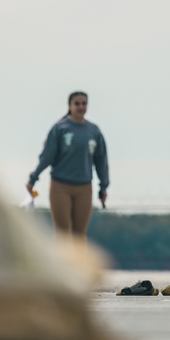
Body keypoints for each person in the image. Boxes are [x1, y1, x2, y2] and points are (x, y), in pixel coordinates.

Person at [27, 91, 109, 238]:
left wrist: (103, 186)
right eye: (77, 103)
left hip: (84, 186)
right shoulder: (60, 128)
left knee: (79, 234)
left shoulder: (94, 131)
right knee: (63, 232)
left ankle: (78, 261)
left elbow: (101, 160)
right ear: (70, 106)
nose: (80, 107)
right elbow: (47, 156)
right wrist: (34, 177)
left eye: (84, 103)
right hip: (61, 185)